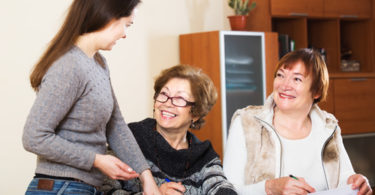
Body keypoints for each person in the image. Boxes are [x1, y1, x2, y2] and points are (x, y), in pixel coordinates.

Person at [22, 0, 160, 194]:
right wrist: (96, 160)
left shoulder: (99, 63)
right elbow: (33, 137)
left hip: (82, 187)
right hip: (62, 187)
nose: (125, 34)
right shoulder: (69, 65)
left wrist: (146, 178)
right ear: (108, 17)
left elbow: (116, 126)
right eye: (126, 25)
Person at [223, 49, 372, 195]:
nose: (284, 85)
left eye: (297, 79)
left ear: (317, 91)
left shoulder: (328, 127)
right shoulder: (246, 122)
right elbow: (226, 191)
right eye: (280, 75)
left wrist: (357, 182)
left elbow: (344, 178)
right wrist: (269, 188)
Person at [101, 65, 237, 194]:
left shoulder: (203, 155)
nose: (167, 103)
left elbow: (219, 186)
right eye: (164, 94)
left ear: (196, 113)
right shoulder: (128, 138)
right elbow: (102, 190)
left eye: (179, 98)